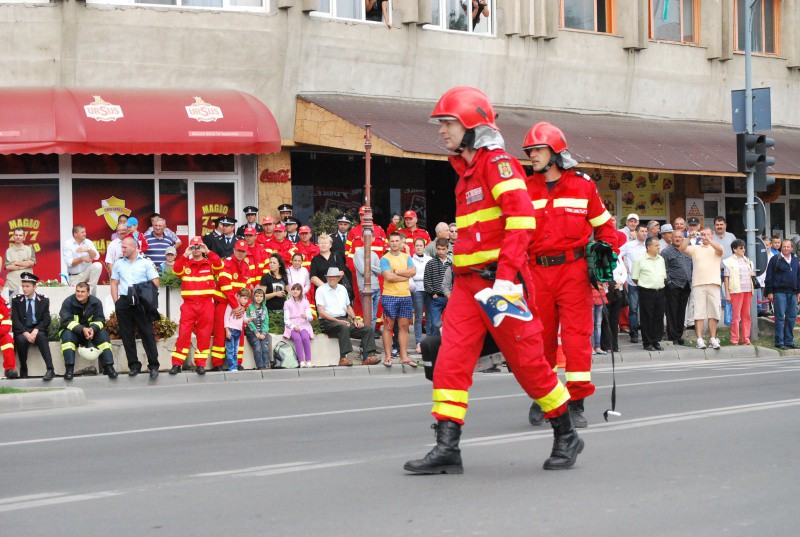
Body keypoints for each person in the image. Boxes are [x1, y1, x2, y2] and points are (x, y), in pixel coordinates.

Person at [405, 87, 580, 475]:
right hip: (468, 286)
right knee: (449, 362)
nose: (441, 131)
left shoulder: (498, 164)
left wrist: (504, 278)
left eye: (448, 123)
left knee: (529, 365)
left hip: (501, 283)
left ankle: (566, 434)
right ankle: (447, 446)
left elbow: (522, 221)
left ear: (472, 126)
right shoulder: (465, 174)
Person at [523, 120, 619, 428]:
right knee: (540, 339)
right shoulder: (524, 188)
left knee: (577, 339)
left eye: (537, 149)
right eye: (529, 150)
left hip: (574, 272)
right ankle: (544, 398)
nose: (531, 155)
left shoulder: (583, 185)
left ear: (555, 152)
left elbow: (606, 228)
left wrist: (605, 254)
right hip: (536, 272)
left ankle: (575, 404)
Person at [170, 237, 223, 376]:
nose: (196, 249)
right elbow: (176, 270)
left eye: (199, 246)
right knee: (183, 334)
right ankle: (177, 364)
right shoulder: (185, 264)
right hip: (189, 305)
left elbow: (219, 265)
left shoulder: (209, 263)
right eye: (193, 246)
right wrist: (185, 254)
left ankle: (200, 364)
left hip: (206, 304)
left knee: (204, 335)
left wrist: (208, 252)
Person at [111, 236, 161, 378]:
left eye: (125, 247)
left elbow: (155, 282)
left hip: (141, 301)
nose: (122, 249)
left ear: (134, 247)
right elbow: (114, 283)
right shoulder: (118, 264)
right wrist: (116, 302)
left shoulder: (146, 263)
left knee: (147, 334)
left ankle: (153, 365)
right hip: (124, 301)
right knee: (127, 335)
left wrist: (140, 290)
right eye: (121, 247)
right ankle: (133, 366)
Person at [316, 267, 379, 366]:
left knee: (367, 329)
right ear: (326, 278)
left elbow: (348, 307)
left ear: (338, 278)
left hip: (342, 320)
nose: (331, 279)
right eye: (329, 277)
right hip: (327, 321)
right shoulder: (321, 290)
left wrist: (355, 319)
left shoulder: (342, 289)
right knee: (343, 327)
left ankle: (367, 357)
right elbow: (321, 313)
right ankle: (343, 358)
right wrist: (338, 321)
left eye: (333, 277)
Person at [58, 282, 118, 380]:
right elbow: (66, 321)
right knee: (67, 337)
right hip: (74, 333)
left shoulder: (96, 302)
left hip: (91, 333)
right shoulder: (68, 302)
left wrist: (93, 329)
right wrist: (82, 329)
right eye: (77, 291)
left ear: (88, 293)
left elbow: (100, 320)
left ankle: (109, 367)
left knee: (103, 335)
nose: (79, 294)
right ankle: (69, 369)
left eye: (82, 292)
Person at [679, 228, 723, 350]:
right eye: (703, 234)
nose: (705, 237)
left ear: (712, 235)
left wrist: (708, 238)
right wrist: (689, 237)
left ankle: (713, 338)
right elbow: (682, 248)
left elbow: (720, 250)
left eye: (708, 234)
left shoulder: (716, 247)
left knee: (713, 313)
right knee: (698, 313)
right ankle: (699, 339)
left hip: (714, 283)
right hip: (698, 284)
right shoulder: (695, 248)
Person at [211, 239, 253, 371]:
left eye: (243, 251)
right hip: (224, 304)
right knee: (220, 333)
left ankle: (237, 362)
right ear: (234, 250)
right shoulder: (226, 264)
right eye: (238, 251)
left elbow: (248, 290)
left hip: (239, 307)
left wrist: (244, 307)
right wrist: (236, 306)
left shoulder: (246, 266)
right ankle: (217, 363)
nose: (240, 253)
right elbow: (226, 288)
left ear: (246, 252)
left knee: (239, 333)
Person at [380, 232, 417, 367]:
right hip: (390, 295)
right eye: (392, 241)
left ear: (401, 242)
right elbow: (388, 277)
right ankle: (388, 357)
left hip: (405, 295)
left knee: (404, 326)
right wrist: (405, 276)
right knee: (388, 326)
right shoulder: (385, 258)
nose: (395, 243)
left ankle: (404, 356)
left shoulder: (407, 257)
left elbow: (413, 272)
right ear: (388, 242)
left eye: (397, 241)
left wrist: (397, 272)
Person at [10, 273, 54, 380]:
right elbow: (15, 319)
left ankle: (50, 369)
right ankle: (23, 370)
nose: (24, 289)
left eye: (27, 286)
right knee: (21, 340)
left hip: (37, 328)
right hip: (23, 329)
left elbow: (46, 319)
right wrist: (25, 332)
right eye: (23, 286)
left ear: (35, 287)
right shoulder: (16, 300)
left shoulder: (43, 300)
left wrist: (36, 330)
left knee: (42, 337)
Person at [632, 236, 667, 351]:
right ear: (648, 247)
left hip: (660, 291)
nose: (658, 247)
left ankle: (656, 340)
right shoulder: (640, 260)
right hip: (646, 291)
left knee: (658, 317)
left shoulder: (661, 259)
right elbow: (635, 278)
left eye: (659, 245)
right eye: (656, 245)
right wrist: (645, 284)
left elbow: (663, 276)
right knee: (647, 317)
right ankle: (647, 342)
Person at [764, 239, 800, 350]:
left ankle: (789, 341)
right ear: (781, 247)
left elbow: (798, 277)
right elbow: (769, 276)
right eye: (784, 246)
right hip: (779, 292)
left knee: (791, 317)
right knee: (779, 317)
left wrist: (798, 291)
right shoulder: (775, 259)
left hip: (792, 293)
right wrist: (769, 292)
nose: (786, 248)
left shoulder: (795, 260)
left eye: (788, 247)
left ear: (792, 248)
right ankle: (779, 342)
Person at [661, 232, 693, 345]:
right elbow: (664, 268)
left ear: (683, 238)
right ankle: (672, 336)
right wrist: (669, 283)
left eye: (680, 237)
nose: (678, 239)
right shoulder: (666, 252)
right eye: (675, 237)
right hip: (673, 286)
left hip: (686, 285)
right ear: (671, 238)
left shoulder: (687, 251)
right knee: (672, 311)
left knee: (681, 311)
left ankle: (679, 335)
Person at [619, 224, 648, 344]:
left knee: (646, 309)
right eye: (642, 231)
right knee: (633, 309)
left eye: (646, 231)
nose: (644, 233)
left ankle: (646, 335)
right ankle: (634, 334)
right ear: (636, 232)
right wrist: (623, 268)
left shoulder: (649, 245)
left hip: (647, 282)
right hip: (633, 282)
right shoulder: (629, 245)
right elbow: (617, 254)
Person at [724, 239, 755, 346]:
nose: (743, 249)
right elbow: (726, 278)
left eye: (744, 247)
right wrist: (727, 293)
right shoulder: (729, 261)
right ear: (734, 249)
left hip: (748, 290)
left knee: (746, 315)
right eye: (741, 247)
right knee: (736, 316)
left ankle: (746, 338)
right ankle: (734, 339)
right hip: (736, 291)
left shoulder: (747, 260)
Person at [423, 238, 451, 337]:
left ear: (447, 249)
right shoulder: (431, 263)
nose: (441, 251)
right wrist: (433, 294)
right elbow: (427, 281)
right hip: (436, 297)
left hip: (450, 297)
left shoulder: (451, 263)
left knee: (450, 323)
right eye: (439, 249)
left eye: (443, 249)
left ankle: (447, 343)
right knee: (435, 324)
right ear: (435, 248)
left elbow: (455, 280)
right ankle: (434, 343)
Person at [62, 225, 103, 293]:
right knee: (76, 296)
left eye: (85, 232)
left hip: (87, 273)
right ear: (75, 234)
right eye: (82, 232)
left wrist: (87, 249)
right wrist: (82, 259)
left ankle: (90, 291)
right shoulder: (67, 244)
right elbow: (69, 263)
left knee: (98, 265)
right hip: (75, 277)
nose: (85, 234)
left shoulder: (88, 242)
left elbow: (96, 257)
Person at [713, 216, 737, 327]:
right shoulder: (711, 237)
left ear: (725, 225)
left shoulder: (731, 236)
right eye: (717, 225)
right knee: (717, 294)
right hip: (715, 270)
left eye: (721, 224)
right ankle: (717, 319)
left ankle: (730, 319)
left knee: (730, 294)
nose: (719, 227)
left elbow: (736, 251)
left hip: (729, 270)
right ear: (714, 226)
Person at [283, 283, 315, 368]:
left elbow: (310, 317)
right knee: (297, 338)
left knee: (305, 337)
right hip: (292, 326)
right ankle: (301, 362)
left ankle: (308, 361)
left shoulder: (305, 302)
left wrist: (306, 316)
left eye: (297, 289)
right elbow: (286, 320)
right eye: (293, 289)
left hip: (304, 325)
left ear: (301, 291)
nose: (295, 291)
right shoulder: (287, 303)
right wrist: (293, 327)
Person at [353, 244, 382, 334]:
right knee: (369, 316)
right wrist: (373, 268)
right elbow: (363, 271)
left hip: (376, 288)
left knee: (373, 317)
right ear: (363, 238)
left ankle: (370, 338)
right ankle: (367, 339)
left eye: (372, 237)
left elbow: (380, 271)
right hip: (365, 288)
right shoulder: (358, 253)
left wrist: (369, 265)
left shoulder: (374, 254)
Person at [410, 237, 431, 354]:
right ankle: (418, 341)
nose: (418, 248)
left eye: (420, 246)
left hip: (429, 290)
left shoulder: (429, 259)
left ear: (424, 247)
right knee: (418, 316)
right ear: (414, 247)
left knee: (429, 316)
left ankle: (429, 341)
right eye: (416, 245)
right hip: (417, 290)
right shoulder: (411, 260)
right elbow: (411, 276)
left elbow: (431, 274)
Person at [223, 289, 251, 372]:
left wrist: (249, 319)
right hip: (231, 330)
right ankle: (231, 367)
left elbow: (244, 319)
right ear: (238, 297)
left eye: (247, 299)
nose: (246, 301)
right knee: (230, 350)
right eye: (244, 298)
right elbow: (226, 317)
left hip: (238, 331)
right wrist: (227, 330)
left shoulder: (242, 308)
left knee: (235, 351)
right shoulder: (231, 305)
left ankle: (234, 367)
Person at [4, 228, 36, 298]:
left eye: (20, 235)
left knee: (27, 304)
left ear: (24, 237)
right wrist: (24, 264)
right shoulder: (8, 251)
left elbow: (31, 263)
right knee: (12, 304)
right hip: (12, 284)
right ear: (13, 236)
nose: (18, 237)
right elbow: (7, 266)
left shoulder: (30, 249)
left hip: (27, 284)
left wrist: (16, 263)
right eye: (16, 235)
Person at [245, 288, 271, 370]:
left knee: (265, 348)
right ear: (253, 297)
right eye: (257, 296)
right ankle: (260, 366)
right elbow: (249, 321)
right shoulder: (250, 307)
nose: (259, 298)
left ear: (263, 297)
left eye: (261, 296)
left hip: (262, 332)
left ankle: (266, 364)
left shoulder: (264, 308)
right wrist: (256, 332)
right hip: (252, 332)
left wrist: (264, 333)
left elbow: (266, 321)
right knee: (257, 348)